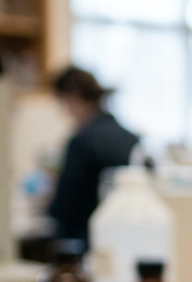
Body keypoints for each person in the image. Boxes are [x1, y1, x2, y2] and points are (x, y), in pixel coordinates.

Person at [48, 67, 140, 245]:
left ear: (72, 96)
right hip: (124, 237)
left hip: (85, 240)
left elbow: (65, 206)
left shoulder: (82, 141)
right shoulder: (129, 138)